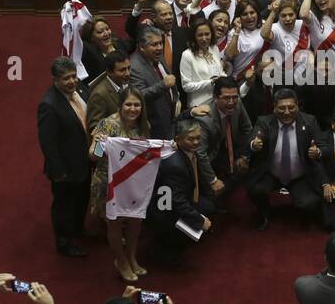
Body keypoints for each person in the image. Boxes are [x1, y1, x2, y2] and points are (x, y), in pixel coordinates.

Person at [89, 87, 152, 280]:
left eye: (137, 105)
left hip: (133, 182)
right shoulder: (107, 125)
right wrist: (99, 143)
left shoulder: (143, 125)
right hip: (110, 182)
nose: (133, 109)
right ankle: (121, 260)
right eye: (128, 104)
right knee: (115, 224)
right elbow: (93, 156)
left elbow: (147, 151)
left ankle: (131, 257)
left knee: (135, 220)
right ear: (120, 105)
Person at [247, 88, 329, 230]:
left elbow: (325, 146)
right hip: (272, 174)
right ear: (274, 108)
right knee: (254, 189)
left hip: (299, 176)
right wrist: (254, 145)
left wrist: (318, 152)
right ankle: (265, 214)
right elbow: (253, 139)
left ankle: (302, 213)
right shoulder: (264, 122)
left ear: (298, 106)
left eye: (291, 107)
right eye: (281, 108)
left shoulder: (309, 121)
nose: (286, 112)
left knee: (309, 203)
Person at [38, 57, 92, 258]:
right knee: (64, 206)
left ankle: (78, 229)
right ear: (55, 80)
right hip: (65, 169)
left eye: (73, 76)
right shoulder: (49, 105)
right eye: (66, 79)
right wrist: (59, 171)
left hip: (84, 161)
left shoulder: (80, 91)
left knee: (81, 198)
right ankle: (64, 242)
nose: (72, 81)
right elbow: (48, 143)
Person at [148, 117, 215, 263]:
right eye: (191, 139)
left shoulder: (188, 151)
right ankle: (166, 248)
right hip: (164, 209)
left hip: (175, 199)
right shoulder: (175, 164)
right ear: (178, 139)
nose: (196, 142)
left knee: (209, 206)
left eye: (198, 138)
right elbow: (177, 202)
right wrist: (199, 220)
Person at [195, 76, 254, 197]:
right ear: (215, 97)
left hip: (230, 147)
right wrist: (213, 181)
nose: (232, 102)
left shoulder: (238, 103)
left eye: (234, 97)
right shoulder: (204, 119)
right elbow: (201, 154)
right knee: (212, 199)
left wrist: (244, 156)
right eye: (226, 98)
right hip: (211, 154)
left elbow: (248, 129)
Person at [129, 26, 180, 139]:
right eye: (154, 44)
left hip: (170, 117)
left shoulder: (157, 55)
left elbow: (168, 78)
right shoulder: (134, 67)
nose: (159, 48)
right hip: (155, 126)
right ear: (142, 47)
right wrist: (163, 85)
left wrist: (176, 98)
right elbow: (138, 96)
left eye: (161, 43)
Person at [180, 18, 226, 110]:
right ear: (194, 37)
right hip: (199, 106)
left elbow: (220, 72)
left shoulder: (214, 49)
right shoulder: (187, 55)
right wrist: (210, 82)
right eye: (200, 35)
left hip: (218, 102)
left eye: (207, 34)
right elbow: (186, 86)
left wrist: (225, 77)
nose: (204, 39)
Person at [85, 50, 129, 133]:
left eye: (128, 68)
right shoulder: (99, 95)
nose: (127, 73)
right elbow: (95, 128)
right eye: (122, 70)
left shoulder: (127, 84)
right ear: (109, 72)